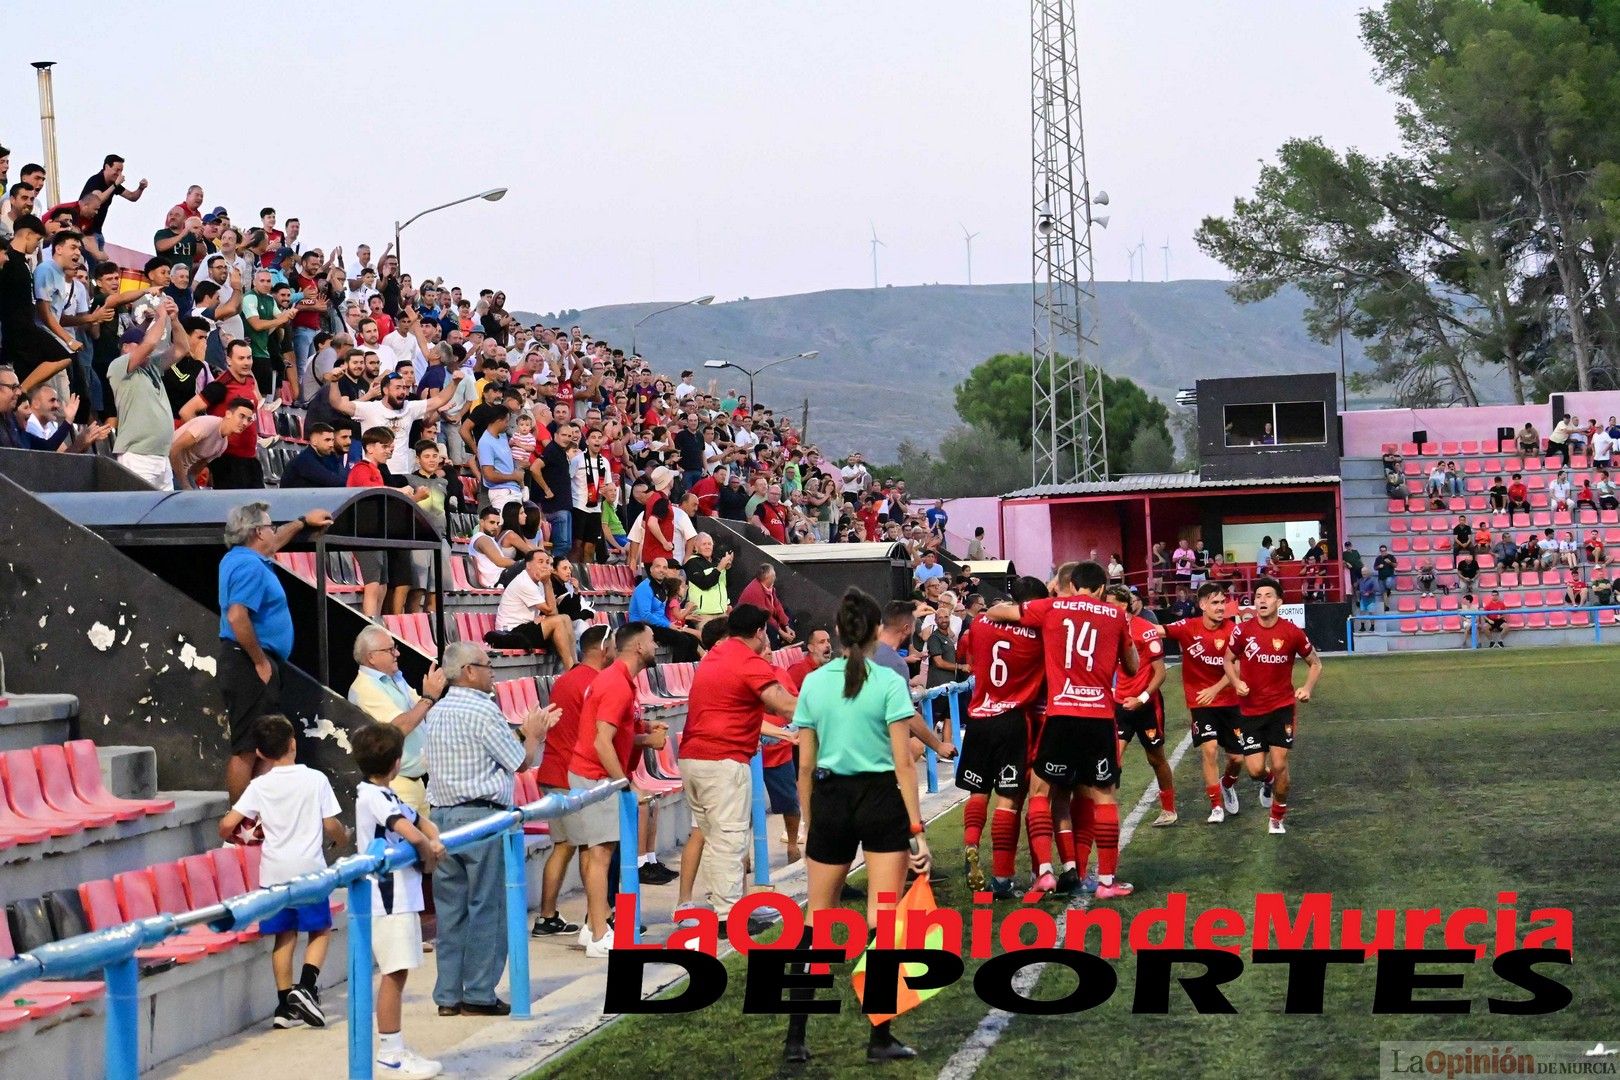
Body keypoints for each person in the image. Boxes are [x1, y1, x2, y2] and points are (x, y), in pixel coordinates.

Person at [783, 589, 929, 1066]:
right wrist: (916, 828)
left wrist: (808, 820)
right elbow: (904, 765)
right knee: (882, 920)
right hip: (881, 798)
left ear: (840, 635)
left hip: (831, 798)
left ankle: (796, 1038)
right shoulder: (887, 682)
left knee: (816, 921)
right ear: (872, 635)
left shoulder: (813, 684)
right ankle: (879, 1036)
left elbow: (804, 766)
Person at [983, 562, 1138, 899]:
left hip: (1060, 715)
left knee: (1040, 792)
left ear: (1071, 584)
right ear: (1100, 588)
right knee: (1103, 796)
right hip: (1098, 717)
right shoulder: (1115, 616)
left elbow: (999, 613)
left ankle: (1046, 873)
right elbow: (1132, 666)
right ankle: (1108, 882)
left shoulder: (1050, 607)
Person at [423, 642, 558, 1015]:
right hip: (481, 816)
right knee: (487, 906)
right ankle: (479, 992)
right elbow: (520, 761)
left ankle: (448, 995)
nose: (492, 671)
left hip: (442, 819)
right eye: (486, 665)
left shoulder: (437, 710)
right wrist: (534, 733)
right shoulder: (483, 709)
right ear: (468, 670)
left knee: (450, 911)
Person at [217, 715, 346, 1030]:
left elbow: (227, 826)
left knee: (284, 935)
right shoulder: (315, 779)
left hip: (273, 872)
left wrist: (241, 834)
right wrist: (341, 839)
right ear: (293, 744)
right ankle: (306, 987)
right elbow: (331, 824)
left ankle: (283, 1005)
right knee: (319, 930)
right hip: (310, 870)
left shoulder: (259, 785)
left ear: (259, 754)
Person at [673, 605, 798, 929]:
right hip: (722, 761)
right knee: (729, 839)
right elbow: (784, 705)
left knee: (716, 839)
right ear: (759, 632)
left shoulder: (718, 653)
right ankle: (729, 917)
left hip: (693, 758)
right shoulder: (747, 661)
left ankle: (726, 907)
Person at [218, 503, 333, 803]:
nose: (274, 531)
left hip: (254, 660)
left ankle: (258, 816)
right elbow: (237, 616)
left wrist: (301, 521)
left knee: (264, 745)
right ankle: (240, 823)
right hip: (249, 662)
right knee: (247, 747)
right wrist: (259, 661)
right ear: (257, 532)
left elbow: (276, 540)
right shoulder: (249, 566)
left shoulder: (243, 557)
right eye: (270, 527)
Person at [564, 623, 667, 957]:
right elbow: (601, 741)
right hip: (596, 777)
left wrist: (644, 736)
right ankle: (597, 935)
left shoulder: (620, 680)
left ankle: (592, 927)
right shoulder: (616, 684)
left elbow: (614, 735)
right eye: (652, 640)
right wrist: (624, 784)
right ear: (638, 646)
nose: (656, 644)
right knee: (600, 857)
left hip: (594, 775)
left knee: (599, 856)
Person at [350, 723, 446, 1080]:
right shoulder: (372, 796)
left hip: (402, 895)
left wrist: (431, 837)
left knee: (399, 972)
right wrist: (429, 851)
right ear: (396, 762)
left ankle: (394, 1048)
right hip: (386, 898)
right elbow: (411, 832)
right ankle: (391, 1053)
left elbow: (420, 820)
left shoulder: (387, 794)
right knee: (394, 973)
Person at [954, 575, 1047, 898]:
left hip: (979, 717)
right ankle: (1003, 879)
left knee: (978, 792)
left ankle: (970, 843)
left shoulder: (979, 623)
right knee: (1009, 799)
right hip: (1012, 720)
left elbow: (965, 655)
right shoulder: (1038, 632)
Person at [530, 625, 615, 938]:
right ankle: (600, 918)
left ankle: (547, 916)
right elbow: (598, 734)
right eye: (615, 645)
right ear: (603, 648)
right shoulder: (597, 682)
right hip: (572, 773)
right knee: (588, 849)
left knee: (564, 846)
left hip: (553, 769)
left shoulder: (566, 679)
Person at [1223, 578, 1323, 835]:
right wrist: (1236, 682)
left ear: (1279, 601)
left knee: (1279, 765)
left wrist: (1306, 689)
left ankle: (1277, 816)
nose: (1262, 600)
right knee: (1256, 770)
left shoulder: (1292, 632)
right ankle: (1267, 783)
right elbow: (1228, 659)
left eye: (1268, 596)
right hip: (1250, 710)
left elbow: (1315, 663)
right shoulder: (1242, 631)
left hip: (1281, 708)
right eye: (1258, 596)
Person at [1161, 582, 1255, 823]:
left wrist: (1215, 689)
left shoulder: (1234, 630)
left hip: (1229, 700)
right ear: (1202, 605)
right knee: (1210, 750)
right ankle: (1216, 807)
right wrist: (1124, 621)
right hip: (1201, 702)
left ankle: (1227, 784)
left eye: (1223, 602)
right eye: (1215, 602)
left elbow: (1236, 666)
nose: (1221, 607)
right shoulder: (1187, 627)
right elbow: (1157, 630)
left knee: (1237, 759)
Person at [347, 625, 446, 829]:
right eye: (390, 649)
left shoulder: (395, 679)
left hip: (417, 782)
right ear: (371, 657)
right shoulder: (364, 687)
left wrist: (429, 700)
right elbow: (399, 728)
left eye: (396, 647)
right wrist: (429, 698)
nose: (397, 653)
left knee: (429, 849)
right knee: (407, 852)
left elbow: (421, 711)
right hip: (397, 784)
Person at [1104, 584, 1176, 827]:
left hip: (1146, 706)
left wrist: (1142, 698)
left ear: (1123, 605)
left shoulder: (1145, 631)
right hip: (1119, 705)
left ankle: (1169, 809)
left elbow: (1160, 673)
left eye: (1110, 603)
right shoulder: (1103, 631)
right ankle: (1107, 814)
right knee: (1113, 758)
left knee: (1156, 758)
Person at [490, 549, 577, 666]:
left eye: (547, 562)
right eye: (540, 562)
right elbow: (551, 612)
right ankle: (569, 668)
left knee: (565, 618)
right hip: (510, 632)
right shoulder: (524, 582)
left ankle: (575, 664)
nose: (545, 566)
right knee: (558, 622)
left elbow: (553, 612)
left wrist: (542, 616)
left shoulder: (539, 582)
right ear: (528, 565)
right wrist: (548, 582)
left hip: (525, 626)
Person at [168, 396, 256, 490]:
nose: (245, 423)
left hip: (183, 473)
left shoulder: (223, 445)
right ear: (228, 414)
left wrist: (190, 484)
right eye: (241, 416)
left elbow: (194, 472)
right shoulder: (208, 424)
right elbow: (173, 448)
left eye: (249, 420)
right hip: (167, 466)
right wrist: (184, 484)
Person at [628, 557, 703, 661]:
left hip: (657, 625)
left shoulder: (662, 587)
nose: (661, 570)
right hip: (641, 626)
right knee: (682, 640)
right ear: (651, 569)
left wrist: (671, 624)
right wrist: (668, 625)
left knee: (693, 640)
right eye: (658, 567)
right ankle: (677, 670)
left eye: (664, 567)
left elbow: (660, 613)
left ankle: (690, 672)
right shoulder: (645, 587)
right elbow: (645, 615)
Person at [736, 564, 796, 645]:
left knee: (787, 613)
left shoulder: (770, 586)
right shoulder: (755, 591)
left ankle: (786, 639)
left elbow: (777, 605)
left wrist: (787, 626)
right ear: (767, 578)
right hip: (748, 621)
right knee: (769, 626)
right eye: (773, 575)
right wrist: (782, 633)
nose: (775, 577)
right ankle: (776, 645)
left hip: (765, 615)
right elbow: (766, 615)